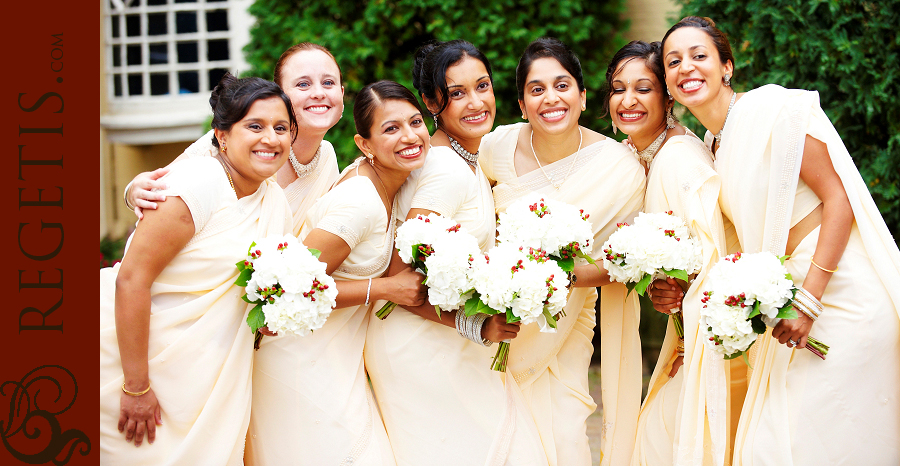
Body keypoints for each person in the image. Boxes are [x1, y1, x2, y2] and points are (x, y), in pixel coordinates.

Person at [660, 16, 900, 465]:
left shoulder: (771, 110)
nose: (686, 67)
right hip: (787, 309)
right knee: (773, 445)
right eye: (674, 62)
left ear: (726, 66)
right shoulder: (709, 146)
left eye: (699, 56)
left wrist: (809, 299)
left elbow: (839, 199)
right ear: (669, 86)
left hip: (840, 297)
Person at [363, 40, 547, 466]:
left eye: (482, 86)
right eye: (457, 93)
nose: (476, 102)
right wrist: (474, 325)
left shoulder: (466, 160)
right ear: (431, 102)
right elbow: (400, 280)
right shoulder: (445, 168)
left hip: (447, 340)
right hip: (421, 348)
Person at [99, 74, 295, 465]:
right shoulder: (198, 184)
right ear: (222, 136)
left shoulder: (274, 200)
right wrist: (136, 387)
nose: (271, 139)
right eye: (254, 126)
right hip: (133, 363)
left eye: (281, 128)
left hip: (205, 378)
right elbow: (132, 279)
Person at [479, 37, 645, 466]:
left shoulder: (619, 166)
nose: (550, 98)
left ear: (583, 95)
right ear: (521, 104)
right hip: (498, 318)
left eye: (562, 85)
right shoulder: (496, 147)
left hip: (566, 321)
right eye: (536, 89)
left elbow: (625, 258)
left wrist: (557, 279)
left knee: (566, 433)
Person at [247, 80, 428, 465]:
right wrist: (385, 288)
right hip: (301, 360)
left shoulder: (388, 181)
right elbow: (286, 291)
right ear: (365, 144)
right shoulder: (360, 203)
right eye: (391, 129)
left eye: (415, 122)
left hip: (335, 357)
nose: (409, 136)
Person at [601, 40, 732, 466]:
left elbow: (719, 257)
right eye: (618, 89)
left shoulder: (679, 160)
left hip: (709, 338)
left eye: (643, 88)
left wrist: (686, 342)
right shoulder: (629, 157)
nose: (628, 100)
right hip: (682, 333)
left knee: (663, 439)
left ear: (667, 95)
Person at [125, 42, 343, 232]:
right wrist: (133, 190)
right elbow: (158, 189)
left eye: (328, 83)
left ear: (342, 93)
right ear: (280, 95)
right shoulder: (234, 141)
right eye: (303, 84)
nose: (318, 93)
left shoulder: (327, 158)